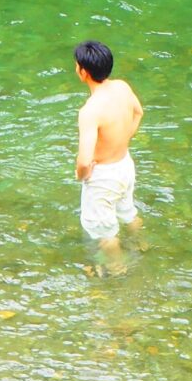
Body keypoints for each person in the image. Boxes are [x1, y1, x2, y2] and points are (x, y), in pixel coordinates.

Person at [74, 39, 144, 274]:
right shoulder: (122, 87)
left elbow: (84, 161)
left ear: (83, 72)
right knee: (128, 212)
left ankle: (118, 272)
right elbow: (138, 112)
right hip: (125, 165)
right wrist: (124, 140)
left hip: (104, 176)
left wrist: (83, 175)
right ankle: (143, 245)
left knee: (105, 232)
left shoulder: (90, 111)